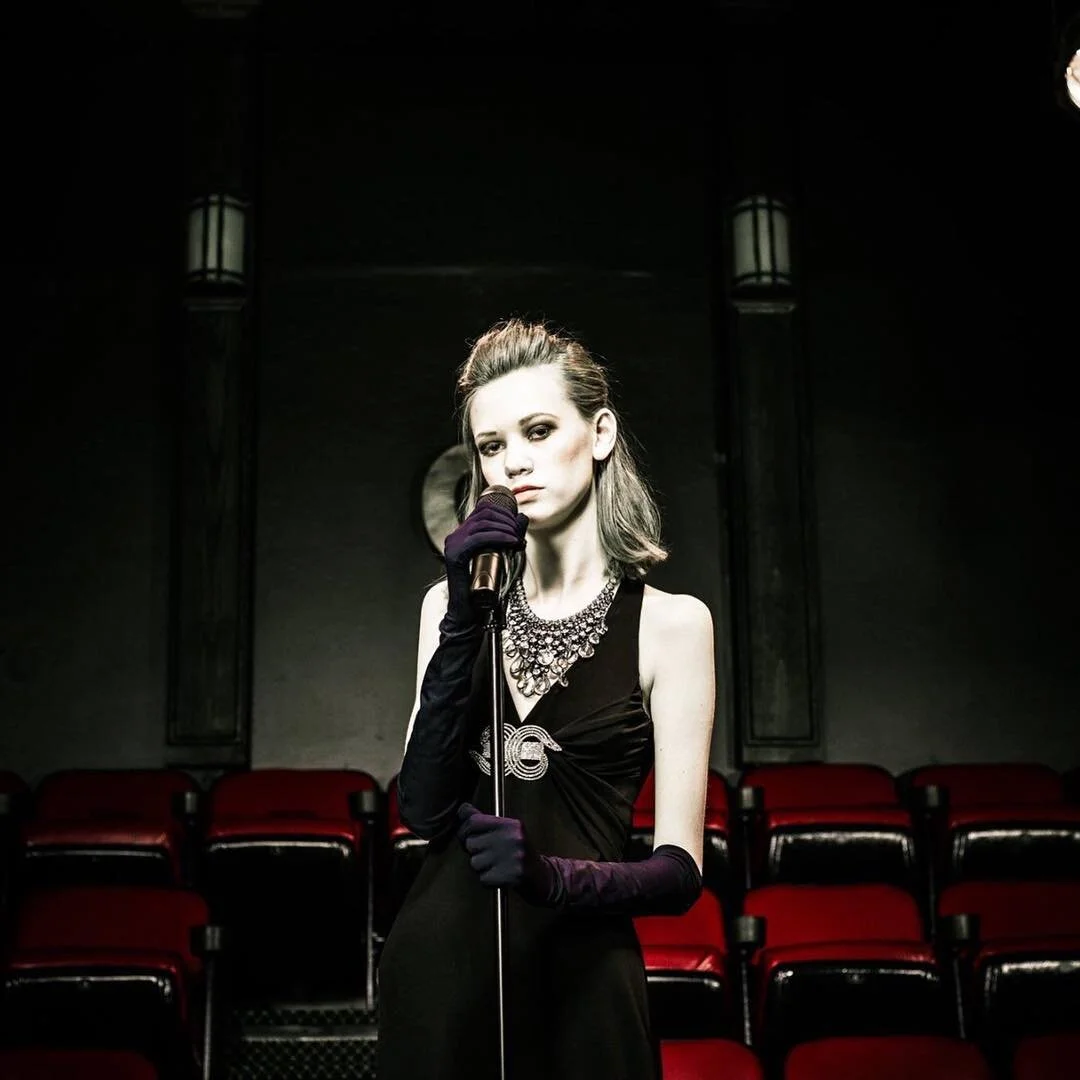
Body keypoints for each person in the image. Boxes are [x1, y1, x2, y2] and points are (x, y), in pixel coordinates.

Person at [377, 319, 715, 1079]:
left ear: (599, 434)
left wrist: (549, 878)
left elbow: (680, 872)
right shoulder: (449, 607)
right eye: (491, 446)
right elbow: (422, 807)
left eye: (538, 431)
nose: (514, 462)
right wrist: (464, 616)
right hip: (442, 975)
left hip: (585, 983)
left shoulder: (674, 624)